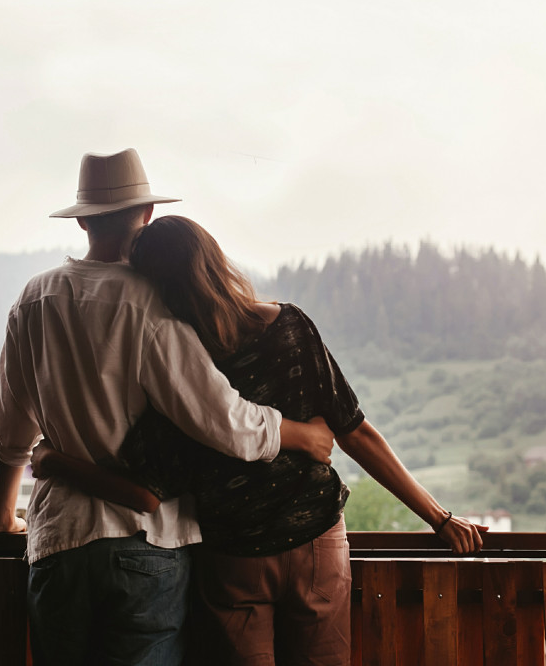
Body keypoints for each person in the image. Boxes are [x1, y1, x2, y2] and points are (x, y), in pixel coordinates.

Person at [34, 215, 486, 666]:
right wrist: (439, 519)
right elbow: (355, 432)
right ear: (212, 259)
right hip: (315, 542)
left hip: (235, 560)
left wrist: (53, 461)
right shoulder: (289, 327)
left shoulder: (180, 370)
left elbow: (144, 492)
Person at [0, 150, 334, 666]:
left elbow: (10, 435)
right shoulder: (153, 303)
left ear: (81, 219)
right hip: (148, 540)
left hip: (58, 542)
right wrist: (301, 434)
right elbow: (225, 423)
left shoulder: (32, 300)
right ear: (144, 217)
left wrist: (3, 520)